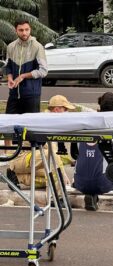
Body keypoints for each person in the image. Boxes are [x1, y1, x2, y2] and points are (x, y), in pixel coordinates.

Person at [7, 95, 75, 195]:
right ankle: (55, 197)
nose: (67, 113)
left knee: (51, 177)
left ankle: (18, 177)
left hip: (30, 157)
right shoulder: (46, 122)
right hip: (20, 158)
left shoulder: (51, 120)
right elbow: (53, 153)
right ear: (57, 110)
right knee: (55, 168)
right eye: (65, 110)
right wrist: (63, 175)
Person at [4, 19, 48, 148]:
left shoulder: (37, 47)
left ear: (30, 30)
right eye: (21, 30)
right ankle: (6, 153)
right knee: (7, 124)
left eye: (26, 29)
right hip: (14, 93)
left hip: (31, 94)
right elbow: (8, 66)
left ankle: (30, 155)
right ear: (16, 30)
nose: (24, 33)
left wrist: (23, 75)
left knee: (31, 128)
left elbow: (43, 71)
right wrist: (10, 77)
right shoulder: (11, 46)